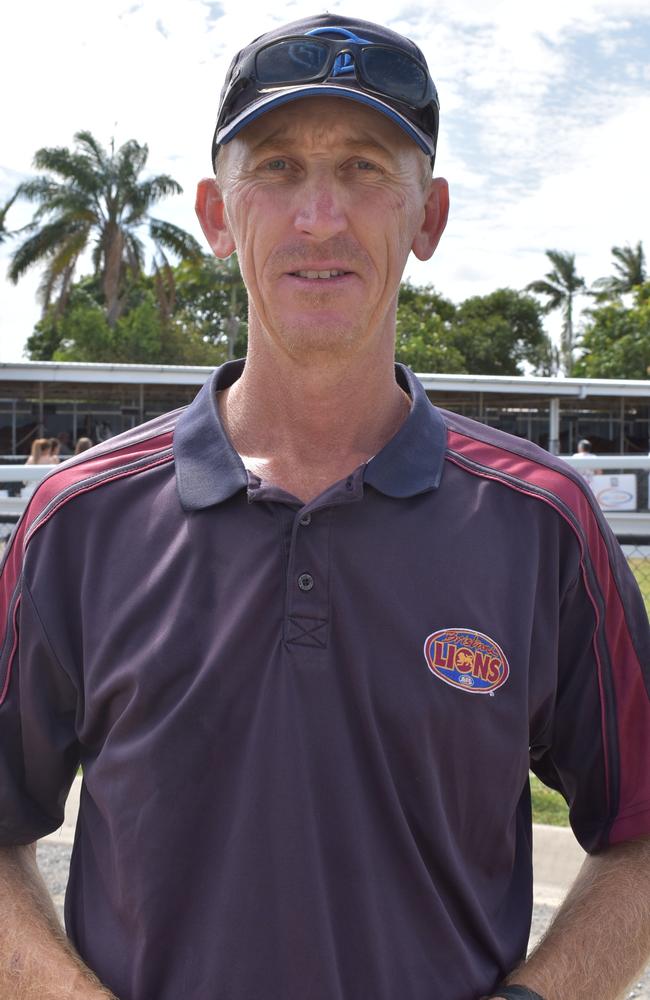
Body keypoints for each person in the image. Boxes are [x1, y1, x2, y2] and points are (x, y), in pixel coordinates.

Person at [0, 14, 649, 1000]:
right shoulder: (76, 521)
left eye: (362, 169)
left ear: (425, 217)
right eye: (276, 168)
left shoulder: (540, 523)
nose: (318, 217)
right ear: (217, 214)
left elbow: (640, 829)